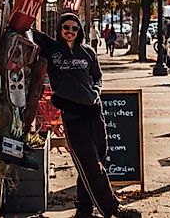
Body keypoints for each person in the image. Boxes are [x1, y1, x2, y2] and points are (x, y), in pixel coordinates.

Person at [33, 12, 141, 218]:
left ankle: (83, 210)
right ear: (59, 29)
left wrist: (96, 92)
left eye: (74, 28)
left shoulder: (88, 53)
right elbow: (33, 34)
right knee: (89, 161)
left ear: (80, 31)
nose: (70, 32)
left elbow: (97, 76)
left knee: (98, 158)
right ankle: (112, 209)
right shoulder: (53, 51)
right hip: (72, 113)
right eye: (66, 28)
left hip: (93, 110)